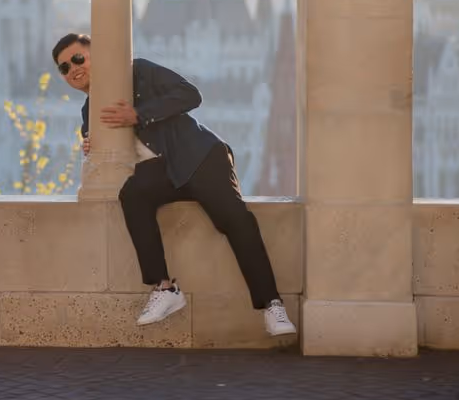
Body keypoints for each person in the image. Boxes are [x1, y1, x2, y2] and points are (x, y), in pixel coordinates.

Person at [52, 33, 296, 336]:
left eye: (78, 58)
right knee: (132, 195)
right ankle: (165, 289)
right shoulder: (87, 112)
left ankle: (273, 306)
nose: (73, 69)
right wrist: (90, 145)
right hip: (161, 171)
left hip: (198, 157)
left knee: (235, 220)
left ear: (96, 55)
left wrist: (139, 114)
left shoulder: (138, 71)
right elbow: (105, 149)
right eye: (64, 68)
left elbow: (191, 94)